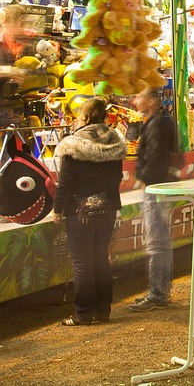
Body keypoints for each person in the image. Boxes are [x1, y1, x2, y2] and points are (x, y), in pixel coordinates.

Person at [53, 96, 126, 326]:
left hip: (80, 211)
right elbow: (117, 179)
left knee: (83, 263)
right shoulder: (115, 141)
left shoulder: (73, 143)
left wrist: (57, 209)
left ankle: (83, 314)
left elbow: (65, 182)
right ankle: (103, 311)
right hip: (107, 208)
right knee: (101, 260)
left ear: (84, 117)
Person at [127, 89, 179, 312]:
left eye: (138, 97)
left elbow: (155, 157)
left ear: (151, 100)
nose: (134, 101)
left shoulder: (157, 124)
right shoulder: (159, 121)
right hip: (159, 186)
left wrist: (144, 177)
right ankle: (160, 291)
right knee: (161, 242)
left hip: (156, 188)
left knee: (157, 243)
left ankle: (157, 293)